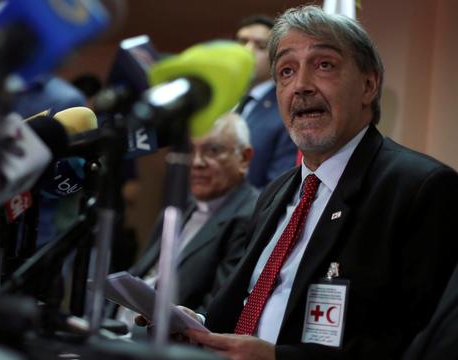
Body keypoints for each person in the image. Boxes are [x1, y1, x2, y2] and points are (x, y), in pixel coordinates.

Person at [161, 6, 458, 359]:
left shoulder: (422, 188)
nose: (300, 86)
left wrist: (278, 358)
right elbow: (249, 306)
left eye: (324, 65)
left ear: (369, 84)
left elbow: (418, 344)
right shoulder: (274, 194)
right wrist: (197, 327)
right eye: (286, 71)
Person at [116, 113, 260, 328]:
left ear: (244, 158)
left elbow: (219, 311)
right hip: (119, 328)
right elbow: (143, 271)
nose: (197, 162)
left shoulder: (250, 215)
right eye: (191, 150)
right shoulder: (182, 205)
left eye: (213, 150)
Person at [234, 15, 297, 189]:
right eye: (242, 42)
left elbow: (275, 190)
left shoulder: (286, 111)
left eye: (260, 46)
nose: (247, 50)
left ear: (276, 59)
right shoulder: (220, 102)